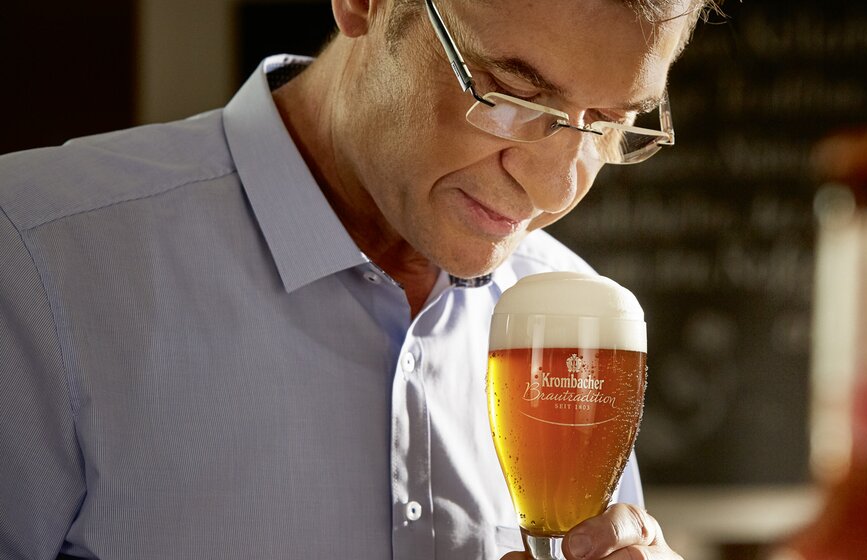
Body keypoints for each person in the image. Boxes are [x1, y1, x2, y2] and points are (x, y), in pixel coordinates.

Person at [0, 0, 716, 558]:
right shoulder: (33, 254)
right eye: (511, 94)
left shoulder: (571, 309)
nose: (556, 187)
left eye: (609, 127)